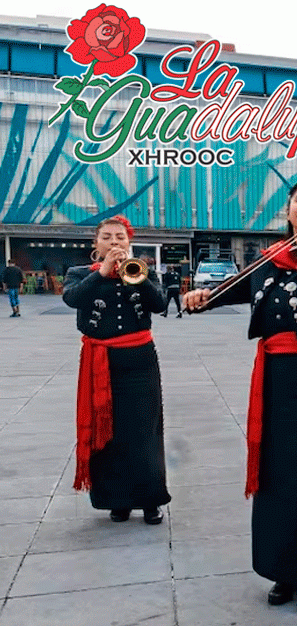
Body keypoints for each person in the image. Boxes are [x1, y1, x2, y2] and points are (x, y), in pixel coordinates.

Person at [183, 180, 297, 614]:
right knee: (278, 473)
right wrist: (201, 297)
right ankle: (285, 567)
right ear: (288, 209)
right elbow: (230, 291)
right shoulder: (268, 259)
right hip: (277, 376)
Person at [62, 216, 170, 525]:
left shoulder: (141, 270)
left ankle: (150, 501)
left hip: (139, 361)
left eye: (120, 237)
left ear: (129, 242)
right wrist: (104, 272)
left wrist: (134, 275)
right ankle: (118, 500)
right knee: (107, 433)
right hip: (101, 362)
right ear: (96, 244)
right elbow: (73, 299)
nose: (114, 242)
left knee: (144, 432)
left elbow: (159, 303)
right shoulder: (79, 273)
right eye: (107, 237)